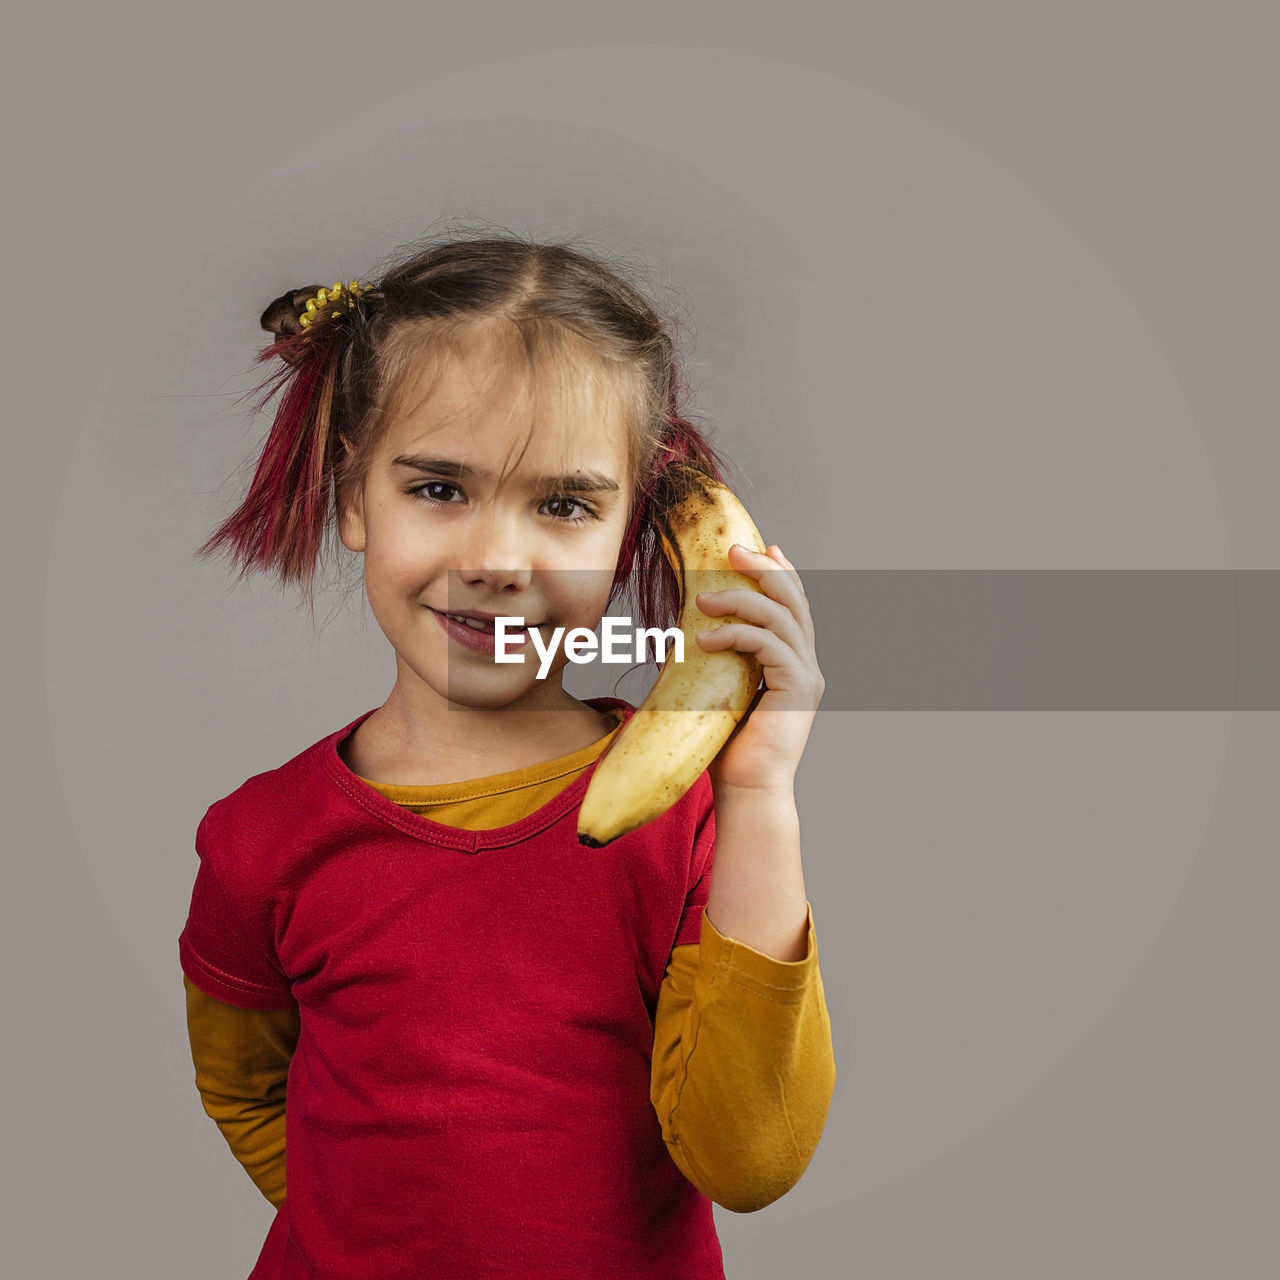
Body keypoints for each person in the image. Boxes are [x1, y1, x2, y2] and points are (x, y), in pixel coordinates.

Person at [179, 230, 835, 1279]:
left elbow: (749, 1158)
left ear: (635, 535)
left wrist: (757, 788)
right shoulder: (259, 839)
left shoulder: (684, 822)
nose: (493, 560)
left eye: (563, 504)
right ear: (354, 497)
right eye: (437, 488)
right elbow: (249, 1092)